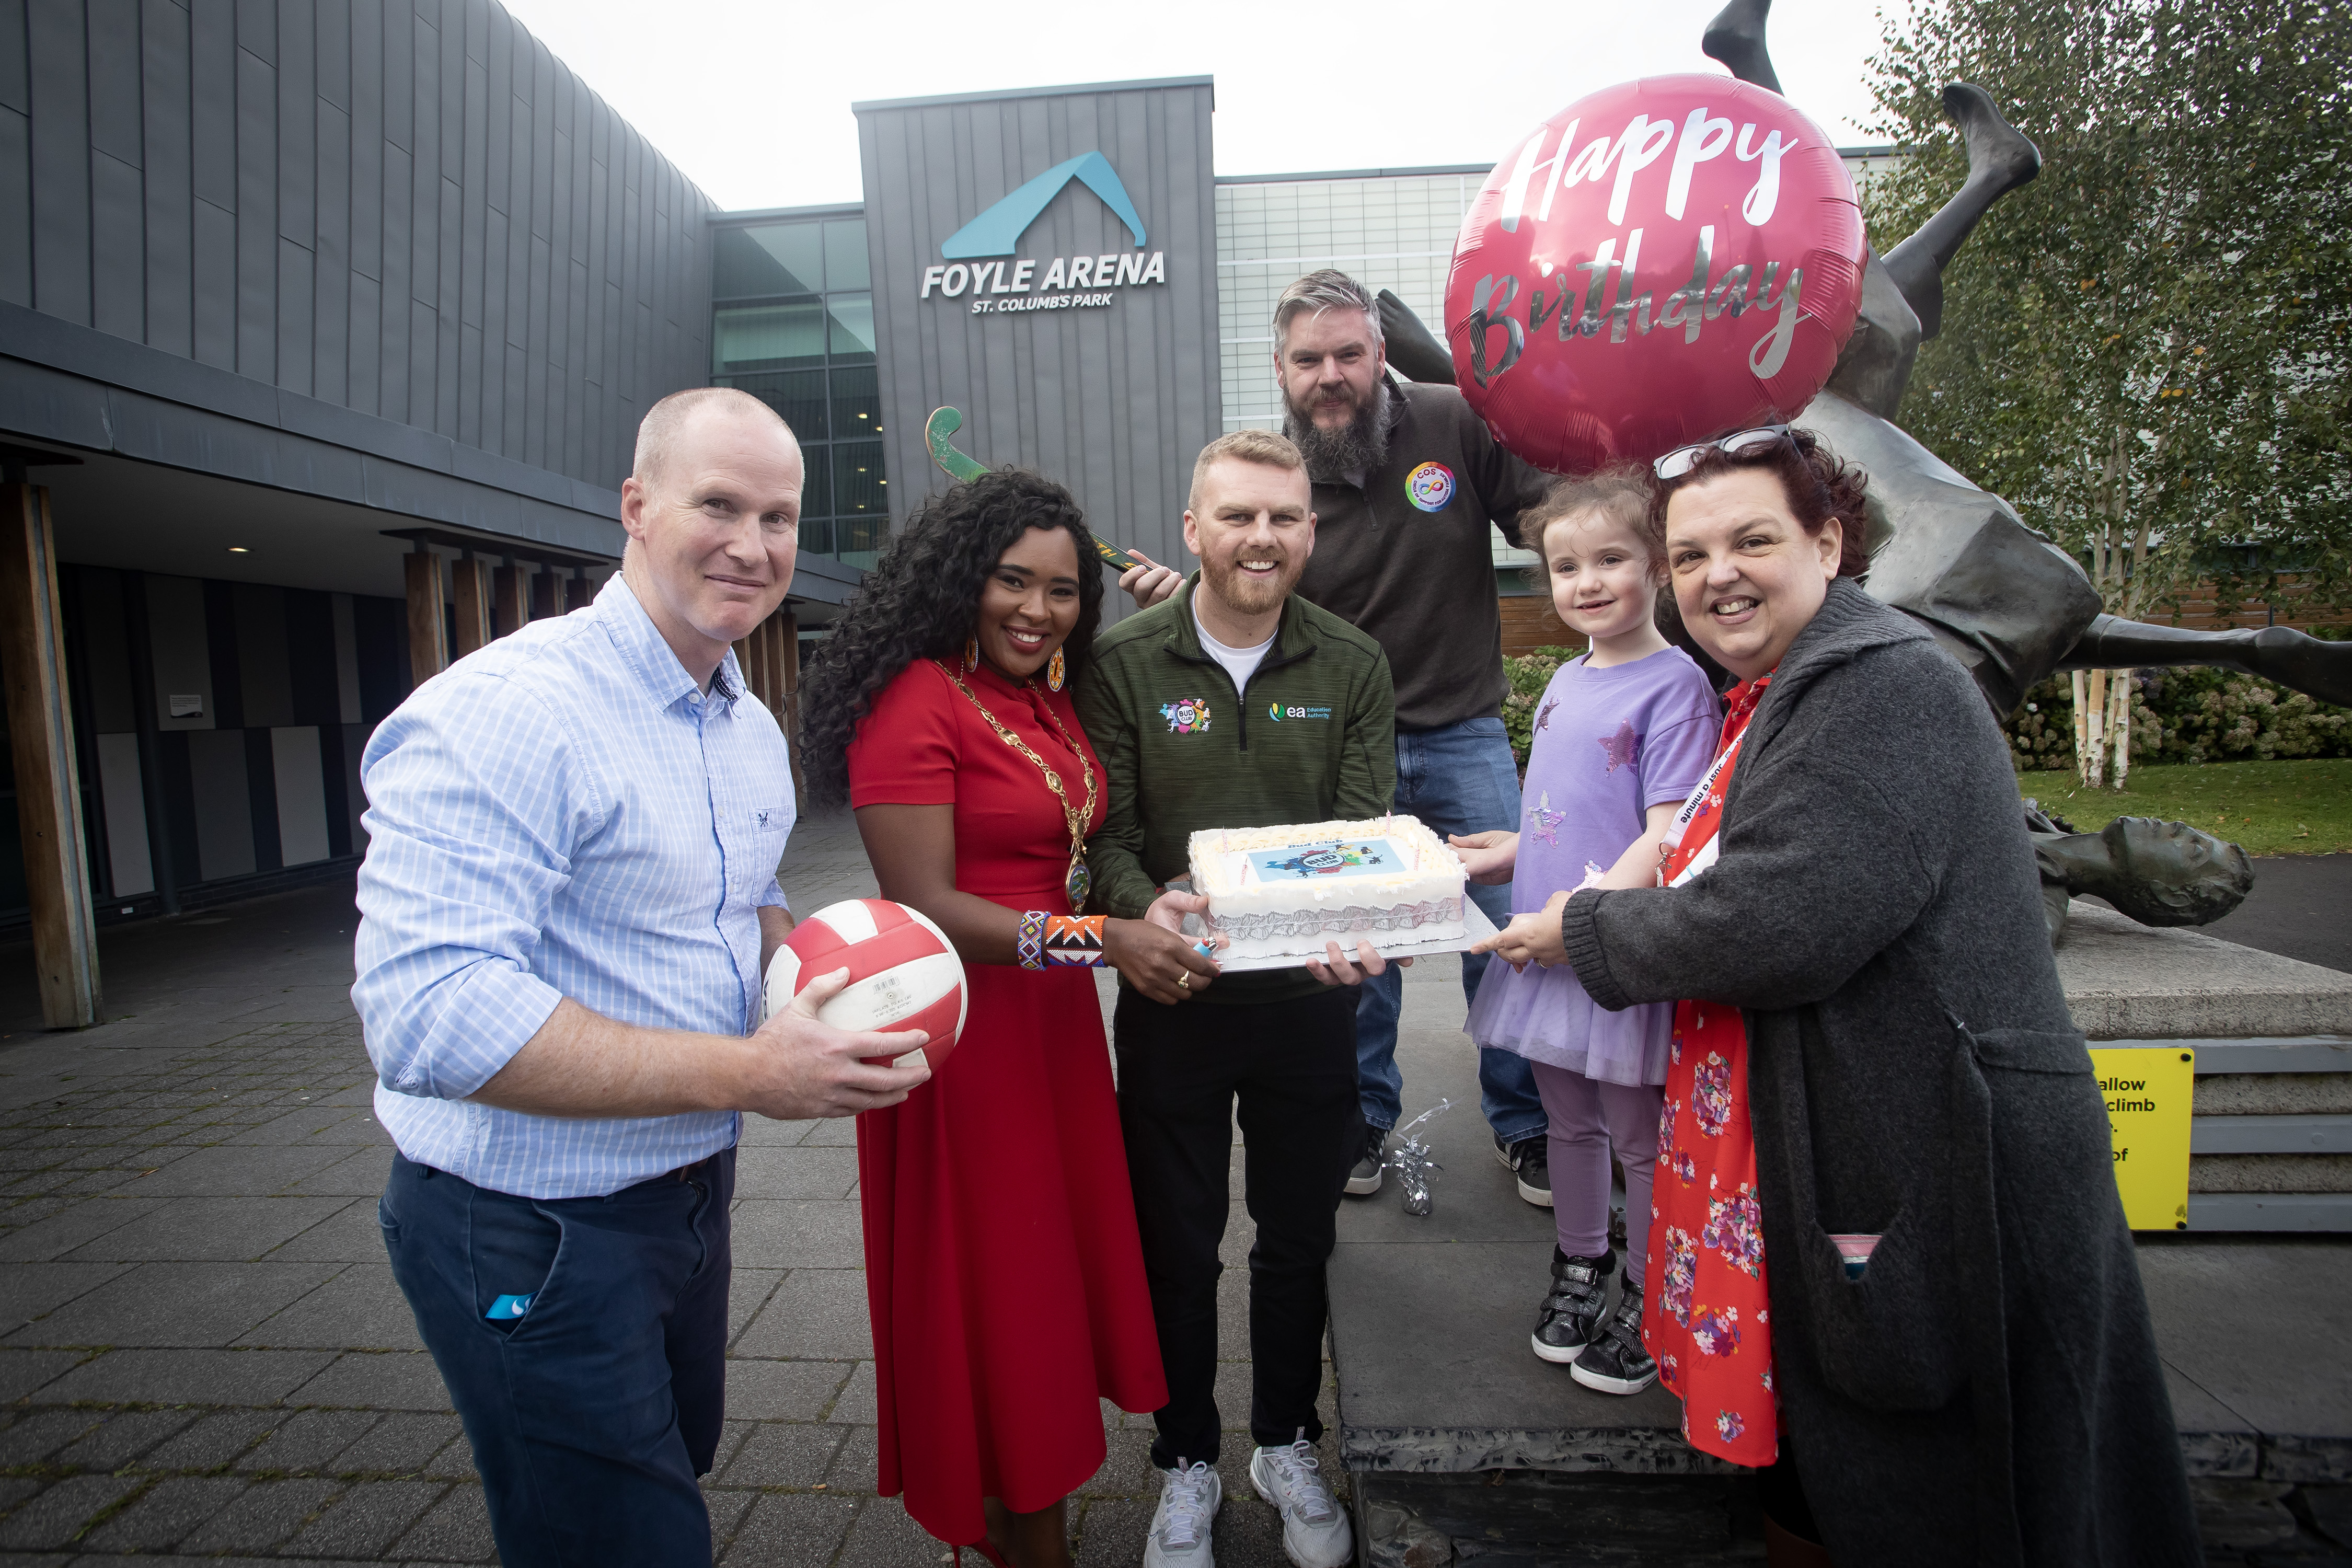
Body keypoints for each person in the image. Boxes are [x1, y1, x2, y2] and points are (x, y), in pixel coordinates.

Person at [1479, 426, 2200, 1564]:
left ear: (1829, 542)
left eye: (1753, 539)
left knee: (1943, 1475)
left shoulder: (1883, 689)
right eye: (1692, 551)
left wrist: (1582, 931)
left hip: (1934, 1156)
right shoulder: (1788, 686)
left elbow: (1780, 919)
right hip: (1873, 1136)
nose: (1719, 572)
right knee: (1845, 1455)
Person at [354, 387, 932, 1568]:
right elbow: (432, 1018)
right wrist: (756, 1072)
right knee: (622, 1539)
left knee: (667, 1473)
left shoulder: (744, 723)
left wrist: (830, 968)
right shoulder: (508, 714)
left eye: (779, 517)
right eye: (717, 504)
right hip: (528, 1222)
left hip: (686, 1189)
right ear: (635, 505)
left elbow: (735, 909)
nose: (753, 545)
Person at [795, 469, 1214, 1567]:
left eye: (1065, 590)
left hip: (1053, 1032)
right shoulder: (915, 699)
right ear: (959, 580)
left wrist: (1131, 915)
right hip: (965, 1042)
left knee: (1040, 1289)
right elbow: (925, 900)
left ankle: (1025, 1513)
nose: (1036, 610)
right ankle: (1019, 1531)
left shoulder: (1043, 698)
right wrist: (1100, 941)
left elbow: (1065, 859)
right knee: (1002, 1289)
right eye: (1011, 581)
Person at [1123, 270, 1558, 1208]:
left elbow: (1549, 517)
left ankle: (1527, 1124)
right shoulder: (1275, 471)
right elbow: (1255, 585)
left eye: (1348, 354)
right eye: (1309, 359)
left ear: (1379, 354)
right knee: (1351, 926)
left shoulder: (1452, 421)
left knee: (1511, 932)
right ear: (1280, 369)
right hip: (1334, 735)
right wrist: (1194, 593)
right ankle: (1362, 1114)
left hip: (1463, 727)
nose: (1331, 375)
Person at [1079, 430, 1397, 1568]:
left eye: (1284, 517)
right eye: (1239, 516)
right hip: (1175, 998)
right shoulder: (1120, 663)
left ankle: (1283, 1440)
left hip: (1310, 1006)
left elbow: (1364, 837)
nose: (1262, 537)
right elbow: (1106, 838)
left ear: (1309, 530)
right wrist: (1137, 917)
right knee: (1178, 1244)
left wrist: (1360, 924)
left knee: (1298, 1238)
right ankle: (1185, 1457)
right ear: (1192, 528)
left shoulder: (1354, 663)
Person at [1450, 472, 1720, 1398]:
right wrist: (1511, 852)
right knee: (1567, 1120)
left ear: (1656, 566)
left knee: (1638, 1138)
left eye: (1611, 559)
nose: (1587, 582)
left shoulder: (1677, 686)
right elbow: (1577, 811)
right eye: (1566, 566)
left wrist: (1578, 922)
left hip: (1612, 951)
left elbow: (1666, 832)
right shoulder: (1566, 679)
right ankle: (1581, 1263)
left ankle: (1651, 1294)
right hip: (1548, 944)